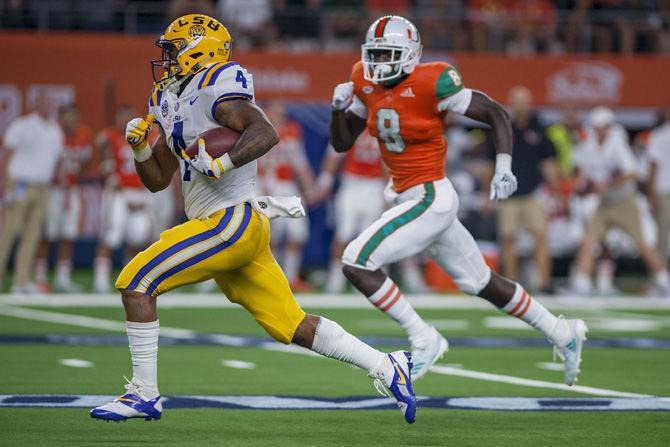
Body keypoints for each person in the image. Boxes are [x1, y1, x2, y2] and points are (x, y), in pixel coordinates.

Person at [90, 14, 416, 424]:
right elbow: (157, 181)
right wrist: (141, 150)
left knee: (137, 283)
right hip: (235, 228)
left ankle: (143, 395)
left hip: (229, 222)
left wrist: (222, 163)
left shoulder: (218, 86)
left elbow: (265, 133)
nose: (167, 59)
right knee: (291, 325)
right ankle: (388, 366)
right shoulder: (168, 99)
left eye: (172, 50)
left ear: (198, 49)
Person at [330, 15, 587, 384]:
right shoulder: (363, 79)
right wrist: (339, 109)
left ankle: (423, 337)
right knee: (481, 282)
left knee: (356, 260)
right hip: (407, 196)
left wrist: (503, 166)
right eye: (375, 54)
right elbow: (342, 142)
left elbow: (496, 113)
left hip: (430, 195)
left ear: (410, 55)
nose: (379, 62)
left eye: (389, 54)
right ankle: (562, 332)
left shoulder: (432, 80)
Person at [571, 107, 670, 296]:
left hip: (624, 202)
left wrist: (608, 184)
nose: (599, 130)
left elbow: (633, 173)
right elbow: (582, 172)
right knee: (589, 241)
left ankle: (665, 281)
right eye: (596, 127)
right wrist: (585, 185)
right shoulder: (589, 144)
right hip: (604, 203)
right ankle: (581, 284)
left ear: (608, 127)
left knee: (642, 244)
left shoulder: (617, 143)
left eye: (602, 127)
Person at [489, 86, 561, 293]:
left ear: (529, 104)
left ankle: (544, 283)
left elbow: (548, 163)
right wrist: (487, 192)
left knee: (540, 236)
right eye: (517, 101)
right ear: (512, 104)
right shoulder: (503, 127)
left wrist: (556, 192)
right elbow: (489, 162)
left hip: (533, 193)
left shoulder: (539, 129)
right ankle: (511, 286)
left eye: (524, 101)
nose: (521, 105)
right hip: (507, 195)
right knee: (508, 240)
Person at [0, 93, 63, 293]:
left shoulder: (55, 130)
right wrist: (4, 188)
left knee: (32, 235)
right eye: (41, 102)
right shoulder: (22, 125)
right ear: (34, 104)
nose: (45, 106)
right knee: (9, 231)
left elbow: (57, 161)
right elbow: (6, 156)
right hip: (20, 184)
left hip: (43, 187)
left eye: (48, 103)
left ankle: (21, 280)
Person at [316, 130, 386, 293]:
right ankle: (336, 279)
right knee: (343, 233)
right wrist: (325, 182)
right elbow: (333, 155)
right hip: (351, 183)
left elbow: (386, 162)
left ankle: (363, 279)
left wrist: (387, 191)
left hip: (374, 186)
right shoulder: (351, 126)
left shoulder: (381, 127)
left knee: (368, 237)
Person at [256, 100, 316, 291]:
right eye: (275, 111)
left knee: (297, 233)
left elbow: (300, 162)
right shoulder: (258, 130)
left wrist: (309, 187)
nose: (279, 115)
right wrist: (264, 185)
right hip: (263, 185)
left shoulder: (291, 132)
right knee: (269, 236)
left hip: (287, 186)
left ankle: (290, 277)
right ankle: (271, 277)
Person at [93, 105, 153, 293]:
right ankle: (100, 280)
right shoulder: (109, 137)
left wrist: (145, 193)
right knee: (112, 235)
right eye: (122, 116)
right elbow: (105, 164)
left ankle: (129, 278)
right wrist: (118, 187)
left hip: (139, 192)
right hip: (118, 193)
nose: (125, 121)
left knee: (137, 237)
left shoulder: (143, 138)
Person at [35, 103, 92, 292]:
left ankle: (62, 278)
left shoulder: (83, 136)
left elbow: (84, 165)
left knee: (68, 234)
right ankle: (40, 277)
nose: (72, 120)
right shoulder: (52, 136)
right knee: (47, 235)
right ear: (60, 117)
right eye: (68, 116)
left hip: (72, 189)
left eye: (75, 116)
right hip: (53, 190)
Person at [647, 105, 670, 261]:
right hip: (664, 190)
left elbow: (652, 169)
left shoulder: (658, 135)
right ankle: (661, 277)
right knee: (663, 235)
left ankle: (660, 277)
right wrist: (652, 195)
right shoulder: (659, 135)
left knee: (663, 235)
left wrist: (651, 195)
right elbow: (654, 167)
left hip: (663, 191)